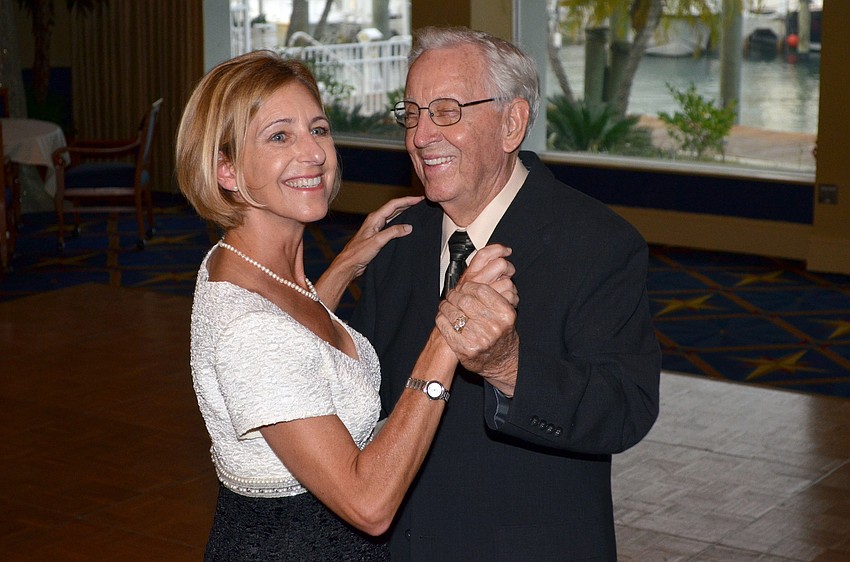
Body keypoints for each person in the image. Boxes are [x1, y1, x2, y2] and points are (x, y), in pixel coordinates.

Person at [175, 50, 518, 560]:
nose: (313, 153)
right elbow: (369, 505)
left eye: (318, 129)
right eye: (279, 136)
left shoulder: (243, 265)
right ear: (226, 169)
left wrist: (340, 270)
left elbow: (299, 348)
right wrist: (450, 331)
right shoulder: (248, 329)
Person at [349, 26, 662, 560]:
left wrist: (509, 366)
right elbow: (366, 400)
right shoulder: (396, 241)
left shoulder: (597, 243)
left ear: (512, 123)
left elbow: (626, 410)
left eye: (447, 111)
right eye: (412, 112)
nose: (422, 135)